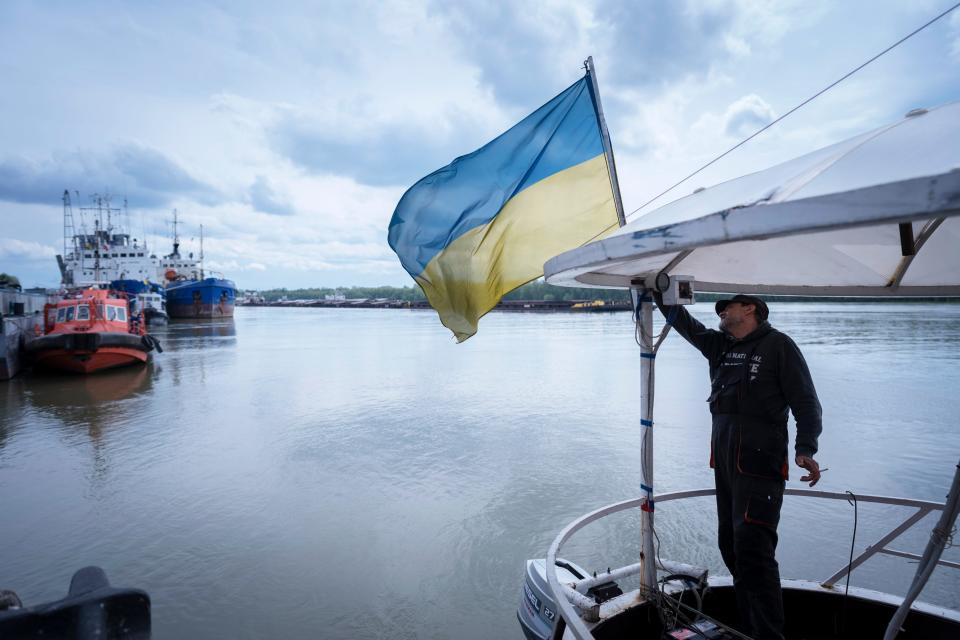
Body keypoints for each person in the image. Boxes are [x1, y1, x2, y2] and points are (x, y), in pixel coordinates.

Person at [653, 292, 823, 640]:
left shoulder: (779, 346)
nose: (721, 312)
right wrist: (660, 291)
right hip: (726, 465)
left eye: (726, 307)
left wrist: (805, 447)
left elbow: (806, 402)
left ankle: (768, 634)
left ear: (751, 309)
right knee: (730, 545)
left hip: (760, 466)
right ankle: (749, 627)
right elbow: (685, 323)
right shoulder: (721, 347)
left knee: (755, 552)